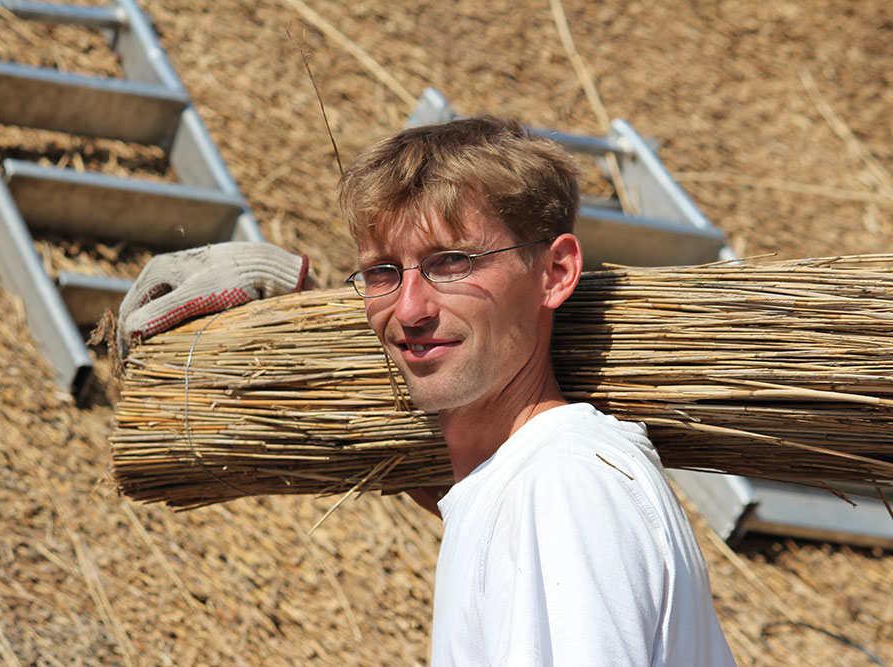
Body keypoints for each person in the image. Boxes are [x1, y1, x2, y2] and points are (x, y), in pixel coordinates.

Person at [118, 116, 736, 666]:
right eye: (383, 271)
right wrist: (284, 340)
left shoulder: (562, 488)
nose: (409, 309)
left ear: (555, 272)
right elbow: (460, 491)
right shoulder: (511, 487)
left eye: (453, 263)